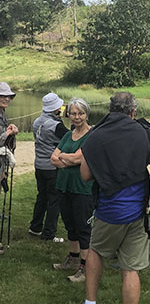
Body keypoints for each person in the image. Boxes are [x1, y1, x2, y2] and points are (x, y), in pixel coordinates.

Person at [63, 91, 150, 304]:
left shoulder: (95, 136)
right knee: (130, 269)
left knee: (94, 251)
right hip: (139, 213)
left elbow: (85, 176)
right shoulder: (147, 133)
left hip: (108, 211)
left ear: (110, 109)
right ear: (133, 112)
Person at [50, 98, 94, 282]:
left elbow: (78, 158)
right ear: (68, 114)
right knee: (70, 224)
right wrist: (68, 159)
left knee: (83, 226)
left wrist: (66, 159)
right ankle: (73, 258)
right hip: (64, 186)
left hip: (82, 187)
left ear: (86, 114)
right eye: (73, 113)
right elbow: (53, 158)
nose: (77, 117)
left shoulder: (92, 135)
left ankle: (85, 268)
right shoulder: (69, 135)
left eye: (80, 113)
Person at [29, 92, 69, 241]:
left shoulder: (37, 121)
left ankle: (35, 226)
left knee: (42, 197)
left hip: (39, 164)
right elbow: (70, 138)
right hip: (52, 166)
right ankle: (49, 233)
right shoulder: (56, 125)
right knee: (54, 200)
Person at [0, 82, 18, 184]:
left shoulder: (3, 113)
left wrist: (11, 131)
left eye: (9, 97)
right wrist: (7, 133)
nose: (7, 99)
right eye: (3, 96)